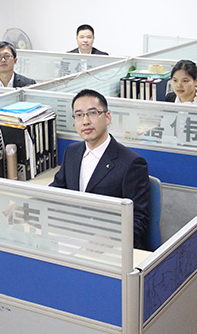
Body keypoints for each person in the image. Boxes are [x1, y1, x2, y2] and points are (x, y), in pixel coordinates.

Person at [50, 89, 150, 247]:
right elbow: (55, 192)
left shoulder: (132, 163)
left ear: (107, 117)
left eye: (92, 113)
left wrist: (111, 237)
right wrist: (25, 206)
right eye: (79, 115)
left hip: (111, 248)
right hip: (74, 238)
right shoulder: (72, 152)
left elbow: (138, 218)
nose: (85, 121)